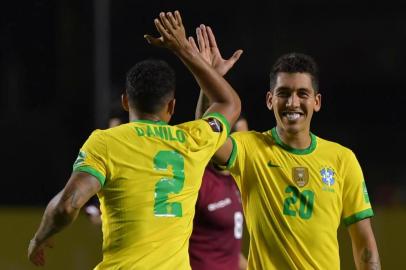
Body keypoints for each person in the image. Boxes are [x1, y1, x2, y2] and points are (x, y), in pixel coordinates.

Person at [27, 10, 241, 270]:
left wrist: (40, 237)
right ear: (172, 107)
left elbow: (67, 206)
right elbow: (227, 102)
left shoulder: (105, 142)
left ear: (126, 101)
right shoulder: (190, 141)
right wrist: (189, 54)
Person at [195, 25, 380, 269]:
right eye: (283, 93)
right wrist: (210, 79)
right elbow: (207, 138)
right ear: (270, 100)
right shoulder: (250, 148)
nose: (293, 102)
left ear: (317, 101)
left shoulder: (342, 159)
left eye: (302, 94)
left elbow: (363, 239)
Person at [189, 117, 249, 270]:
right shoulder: (199, 181)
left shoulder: (238, 180)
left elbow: (230, 252)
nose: (245, 146)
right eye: (240, 139)